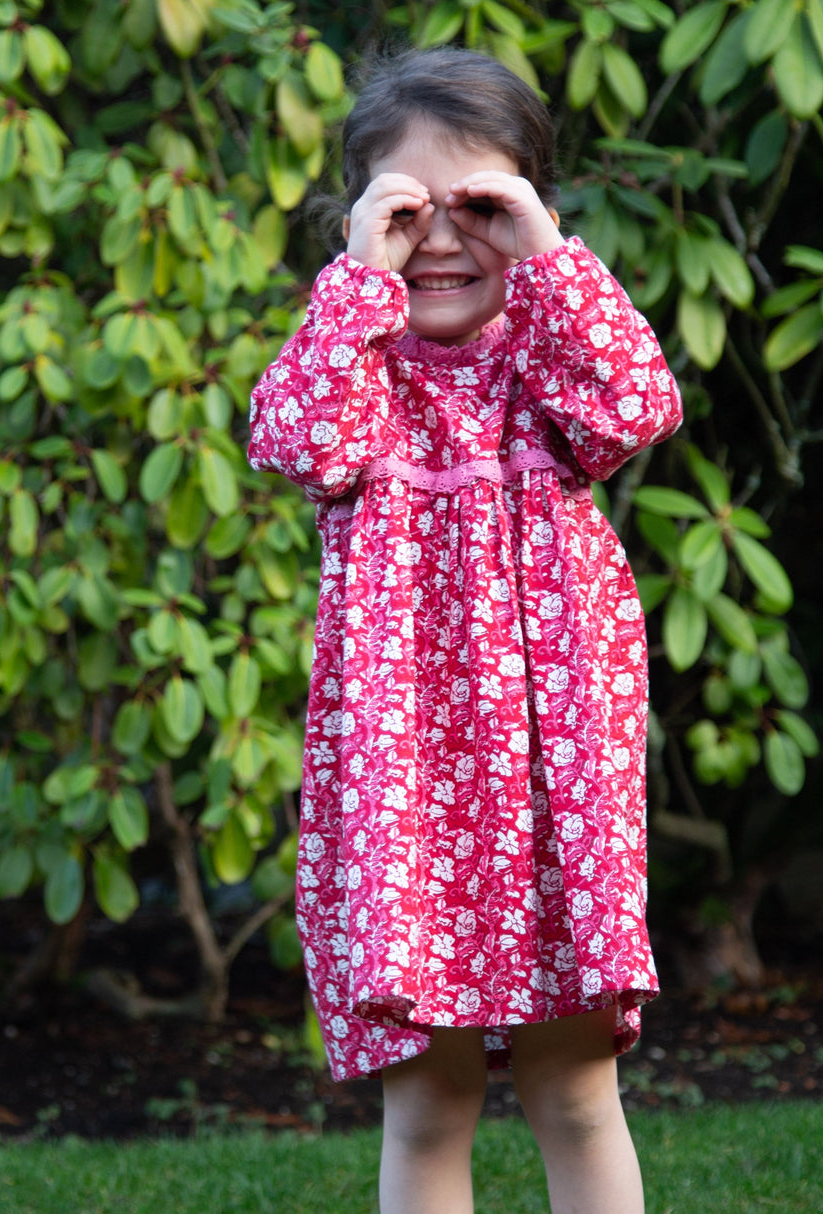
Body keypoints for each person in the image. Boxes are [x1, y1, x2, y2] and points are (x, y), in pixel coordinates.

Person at [247, 46, 682, 1214]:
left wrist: (543, 258)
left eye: (478, 208)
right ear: (358, 223)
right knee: (427, 1102)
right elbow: (296, 442)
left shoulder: (552, 361)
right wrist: (355, 285)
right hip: (404, 795)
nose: (440, 240)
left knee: (574, 1090)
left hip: (555, 785)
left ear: (533, 210)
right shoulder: (355, 370)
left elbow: (635, 404)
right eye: (405, 212)